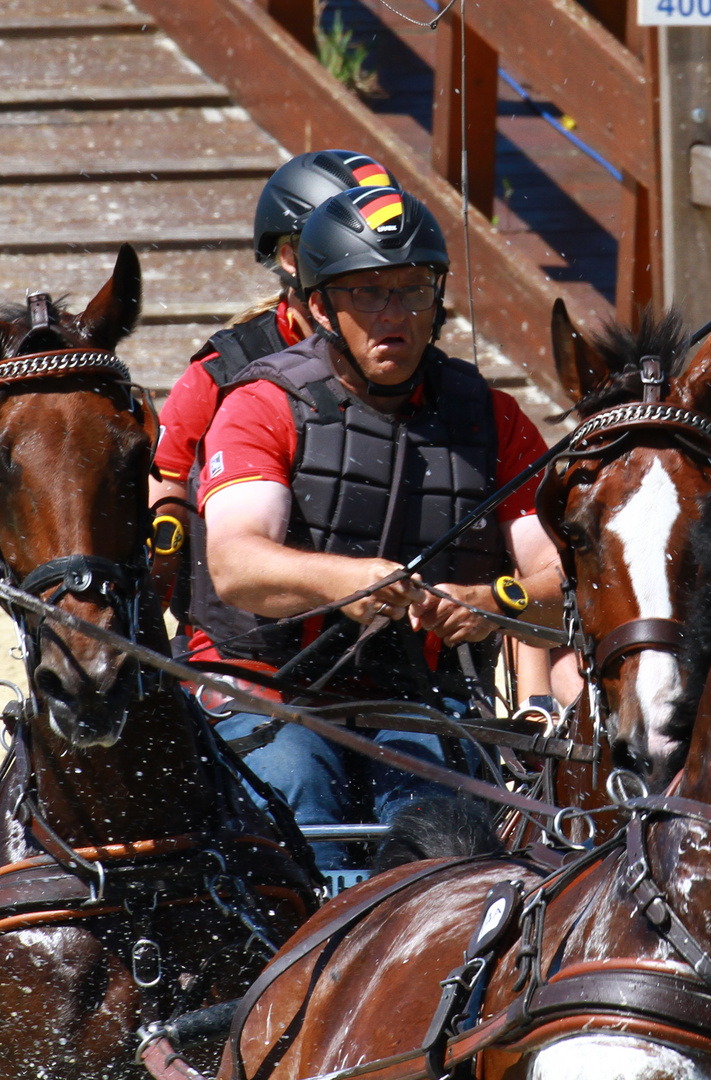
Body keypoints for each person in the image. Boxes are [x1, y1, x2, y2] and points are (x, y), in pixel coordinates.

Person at [192, 184, 565, 868]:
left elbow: (562, 579)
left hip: (416, 703)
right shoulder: (263, 404)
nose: (394, 314)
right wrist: (349, 581)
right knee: (295, 789)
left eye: (413, 290)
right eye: (366, 294)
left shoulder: (496, 419)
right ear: (319, 307)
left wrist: (496, 603)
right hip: (268, 691)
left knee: (447, 831)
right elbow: (236, 566)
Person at [148, 150, 396, 619]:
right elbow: (160, 528)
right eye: (342, 249)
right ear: (290, 258)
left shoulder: (418, 370)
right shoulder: (218, 376)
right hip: (243, 647)